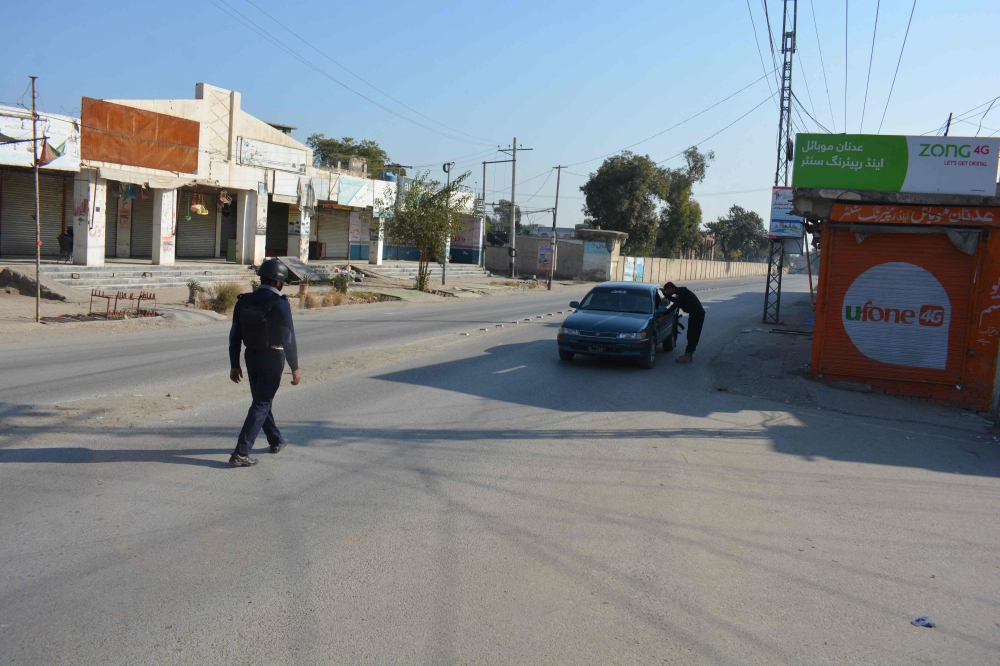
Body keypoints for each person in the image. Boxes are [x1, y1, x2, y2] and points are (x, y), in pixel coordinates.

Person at [228, 259, 301, 467]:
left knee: (261, 400)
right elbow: (289, 339)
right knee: (261, 402)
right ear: (279, 283)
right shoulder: (281, 304)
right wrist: (294, 367)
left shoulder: (244, 301)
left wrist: (235, 364)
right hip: (273, 358)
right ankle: (241, 453)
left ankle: (275, 440)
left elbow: (235, 336)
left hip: (251, 356)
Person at [662, 282, 705, 363]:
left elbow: (675, 305)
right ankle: (688, 354)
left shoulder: (681, 292)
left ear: (671, 288)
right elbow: (676, 300)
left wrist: (664, 314)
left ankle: (688, 356)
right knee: (690, 334)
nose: (667, 292)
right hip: (695, 314)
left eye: (667, 290)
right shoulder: (680, 292)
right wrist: (666, 295)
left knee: (693, 335)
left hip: (697, 314)